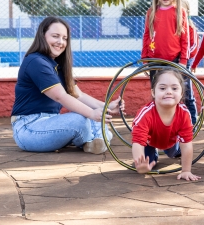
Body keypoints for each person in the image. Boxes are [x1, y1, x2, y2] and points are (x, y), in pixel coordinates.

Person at [11, 16, 123, 153]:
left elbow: (78, 95)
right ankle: (95, 138)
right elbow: (60, 96)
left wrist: (108, 107)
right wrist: (91, 113)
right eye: (55, 36)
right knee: (80, 119)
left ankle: (93, 142)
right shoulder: (35, 62)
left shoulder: (59, 65)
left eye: (64, 38)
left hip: (52, 122)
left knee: (92, 119)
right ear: (42, 35)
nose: (60, 42)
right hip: (28, 128)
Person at [131, 67, 201, 181]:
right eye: (163, 88)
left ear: (181, 93)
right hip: (149, 141)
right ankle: (154, 153)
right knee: (148, 162)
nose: (169, 92)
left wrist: (186, 170)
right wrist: (139, 164)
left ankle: (172, 151)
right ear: (153, 92)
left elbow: (187, 143)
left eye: (174, 88)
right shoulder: (146, 113)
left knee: (173, 153)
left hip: (171, 141)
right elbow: (138, 141)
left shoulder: (184, 113)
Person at [182, 0, 199, 124]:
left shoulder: (190, 27)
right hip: (176, 61)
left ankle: (193, 121)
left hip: (184, 62)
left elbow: (193, 47)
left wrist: (184, 56)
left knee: (188, 93)